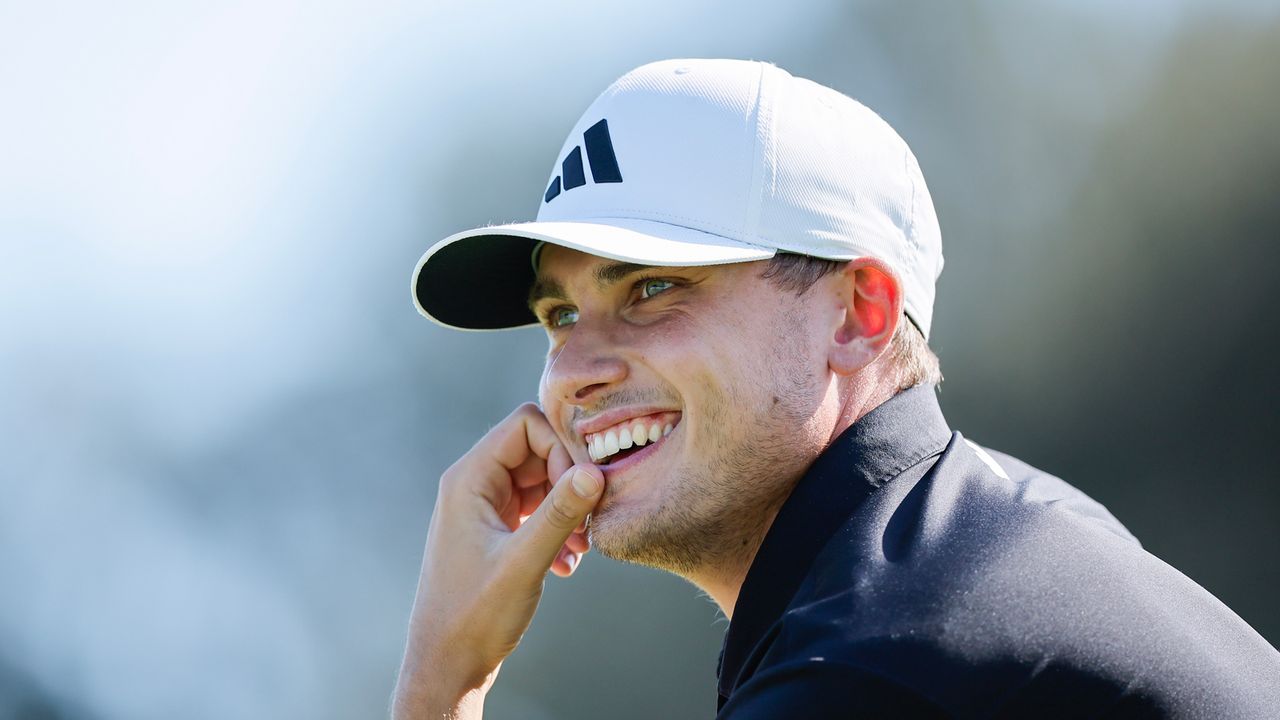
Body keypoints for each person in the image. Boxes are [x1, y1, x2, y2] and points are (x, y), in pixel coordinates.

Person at [392, 59, 1280, 718]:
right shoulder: (998, 525)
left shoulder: (872, 663)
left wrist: (440, 682)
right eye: (559, 316)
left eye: (652, 289)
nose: (576, 373)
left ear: (860, 313)